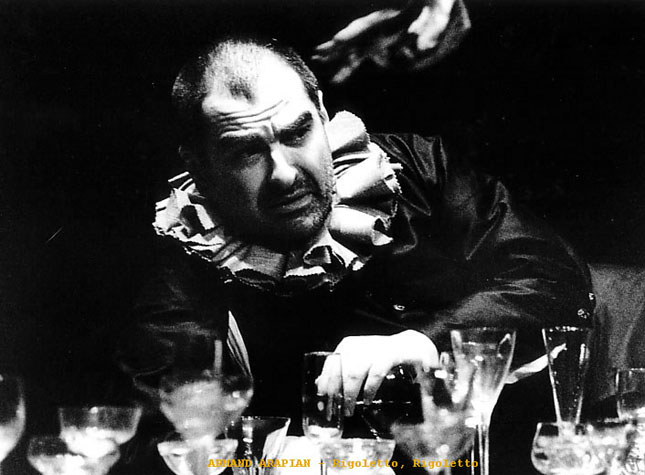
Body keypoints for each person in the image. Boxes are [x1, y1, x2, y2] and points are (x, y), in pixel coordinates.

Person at [119, 36, 594, 473]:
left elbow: (553, 280)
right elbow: (160, 440)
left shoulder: (419, 171)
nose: (284, 174)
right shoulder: (182, 257)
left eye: (297, 132)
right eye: (246, 153)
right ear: (199, 166)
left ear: (322, 112)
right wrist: (278, 459)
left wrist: (425, 342)